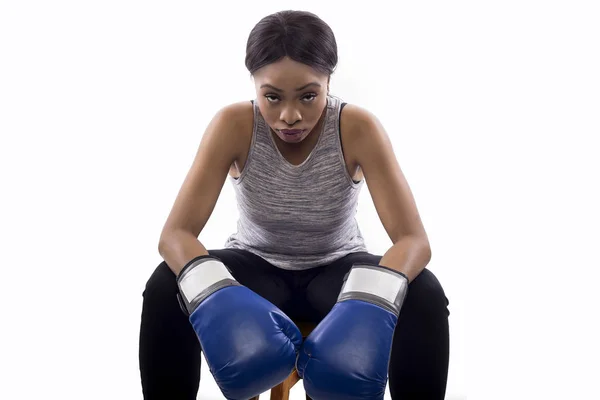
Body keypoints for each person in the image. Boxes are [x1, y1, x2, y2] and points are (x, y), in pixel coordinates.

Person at [139, 9, 450, 400]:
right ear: (254, 85)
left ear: (328, 81)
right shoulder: (234, 124)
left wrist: (372, 302)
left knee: (424, 292)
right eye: (272, 97)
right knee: (167, 285)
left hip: (336, 270)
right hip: (256, 268)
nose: (290, 116)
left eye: (308, 95)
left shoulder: (357, 128)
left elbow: (413, 241)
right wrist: (217, 291)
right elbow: (175, 235)